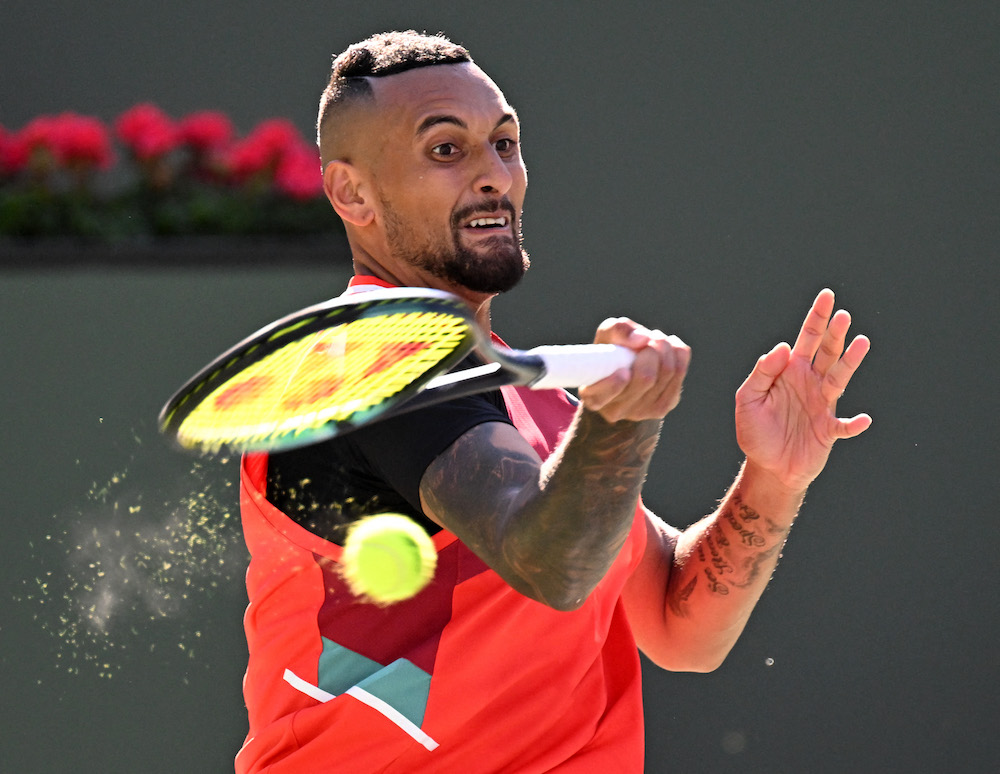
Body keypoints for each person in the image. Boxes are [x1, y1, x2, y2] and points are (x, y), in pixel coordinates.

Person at [234, 30, 872, 773]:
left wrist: (774, 476)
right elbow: (553, 566)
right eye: (447, 151)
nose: (493, 176)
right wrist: (621, 424)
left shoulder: (544, 414)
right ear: (352, 193)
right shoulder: (367, 359)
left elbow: (679, 628)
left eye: (505, 144)